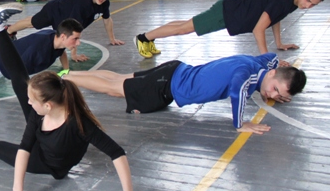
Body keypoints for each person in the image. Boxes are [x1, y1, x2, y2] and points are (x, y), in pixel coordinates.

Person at [0, 3, 153, 191]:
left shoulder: (79, 123)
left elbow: (117, 153)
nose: (28, 103)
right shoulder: (38, 115)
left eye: (33, 101)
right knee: (18, 85)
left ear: (48, 105)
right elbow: (24, 148)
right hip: (41, 151)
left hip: (47, 164)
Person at [64, 53, 306, 134]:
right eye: (274, 88)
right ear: (272, 74)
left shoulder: (259, 65)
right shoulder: (247, 75)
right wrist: (239, 124)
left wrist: (275, 81)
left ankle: (67, 73)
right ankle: (64, 79)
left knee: (119, 79)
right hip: (167, 85)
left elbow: (271, 57)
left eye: (277, 94)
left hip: (174, 70)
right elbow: (237, 92)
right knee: (114, 89)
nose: (271, 94)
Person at [134, 0, 328, 58]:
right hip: (227, 13)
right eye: (308, 1)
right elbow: (259, 29)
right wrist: (265, 58)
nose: (308, 6)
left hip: (231, 8)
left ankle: (148, 38)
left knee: (185, 25)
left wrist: (279, 43)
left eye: (313, 5)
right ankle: (143, 38)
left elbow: (276, 17)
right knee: (184, 28)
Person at [6, 0, 123, 61]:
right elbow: (73, 29)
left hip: (65, 16)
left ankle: (10, 29)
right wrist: (74, 55)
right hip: (55, 10)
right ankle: (8, 30)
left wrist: (112, 39)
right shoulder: (82, 3)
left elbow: (107, 20)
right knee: (32, 23)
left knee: (33, 22)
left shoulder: (104, 4)